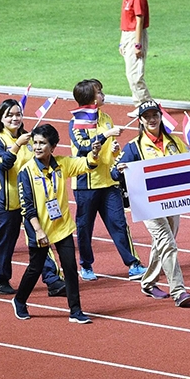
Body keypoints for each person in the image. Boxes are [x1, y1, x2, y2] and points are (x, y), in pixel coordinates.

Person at [111, 100, 190, 307]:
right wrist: (121, 170)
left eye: (154, 115)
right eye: (147, 116)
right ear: (140, 120)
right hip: (147, 204)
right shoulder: (134, 146)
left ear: (160, 117)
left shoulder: (175, 142)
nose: (151, 119)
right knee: (167, 243)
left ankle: (148, 283)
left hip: (172, 200)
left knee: (163, 242)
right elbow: (113, 173)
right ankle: (178, 291)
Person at [14, 123, 102, 324]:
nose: (37, 147)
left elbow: (86, 164)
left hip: (62, 227)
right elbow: (27, 206)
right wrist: (38, 230)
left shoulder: (62, 164)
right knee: (35, 268)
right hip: (39, 228)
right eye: (35, 143)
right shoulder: (26, 172)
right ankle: (19, 300)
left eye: (42, 143)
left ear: (52, 147)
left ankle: (75, 310)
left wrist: (95, 153)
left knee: (70, 268)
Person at [0, 98, 66, 296]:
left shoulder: (30, 140)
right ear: (1, 118)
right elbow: (3, 165)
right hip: (7, 201)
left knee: (40, 238)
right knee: (6, 242)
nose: (15, 119)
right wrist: (16, 146)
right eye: (10, 115)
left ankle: (53, 280)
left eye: (18, 114)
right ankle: (2, 279)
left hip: (30, 200)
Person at [70, 79, 143, 281]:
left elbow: (109, 147)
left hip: (109, 181)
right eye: (99, 92)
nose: (103, 94)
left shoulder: (106, 117)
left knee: (119, 223)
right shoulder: (77, 122)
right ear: (91, 98)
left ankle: (133, 263)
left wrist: (115, 150)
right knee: (85, 228)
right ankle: (86, 266)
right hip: (86, 183)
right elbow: (83, 146)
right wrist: (106, 134)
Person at [118, 0, 152, 105]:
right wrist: (122, 42)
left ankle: (147, 105)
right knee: (130, 74)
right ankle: (139, 103)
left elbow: (139, 22)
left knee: (135, 75)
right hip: (127, 35)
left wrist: (138, 45)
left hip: (135, 36)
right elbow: (126, 21)